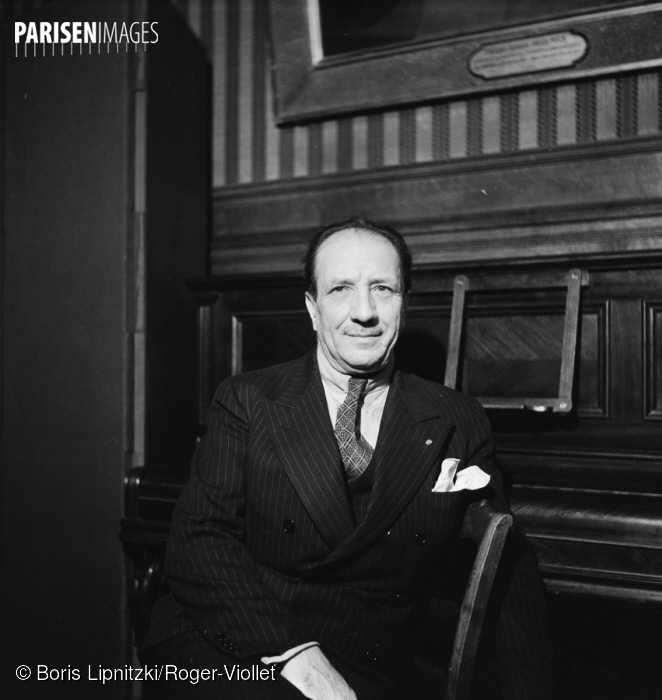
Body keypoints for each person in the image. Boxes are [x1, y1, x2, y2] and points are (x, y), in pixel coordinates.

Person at [141, 217, 555, 699]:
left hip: (370, 658)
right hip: (241, 638)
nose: (364, 312)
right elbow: (197, 540)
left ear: (405, 301)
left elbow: (505, 563)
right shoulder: (249, 399)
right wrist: (294, 652)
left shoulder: (459, 418)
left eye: (382, 288)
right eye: (340, 289)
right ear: (312, 309)